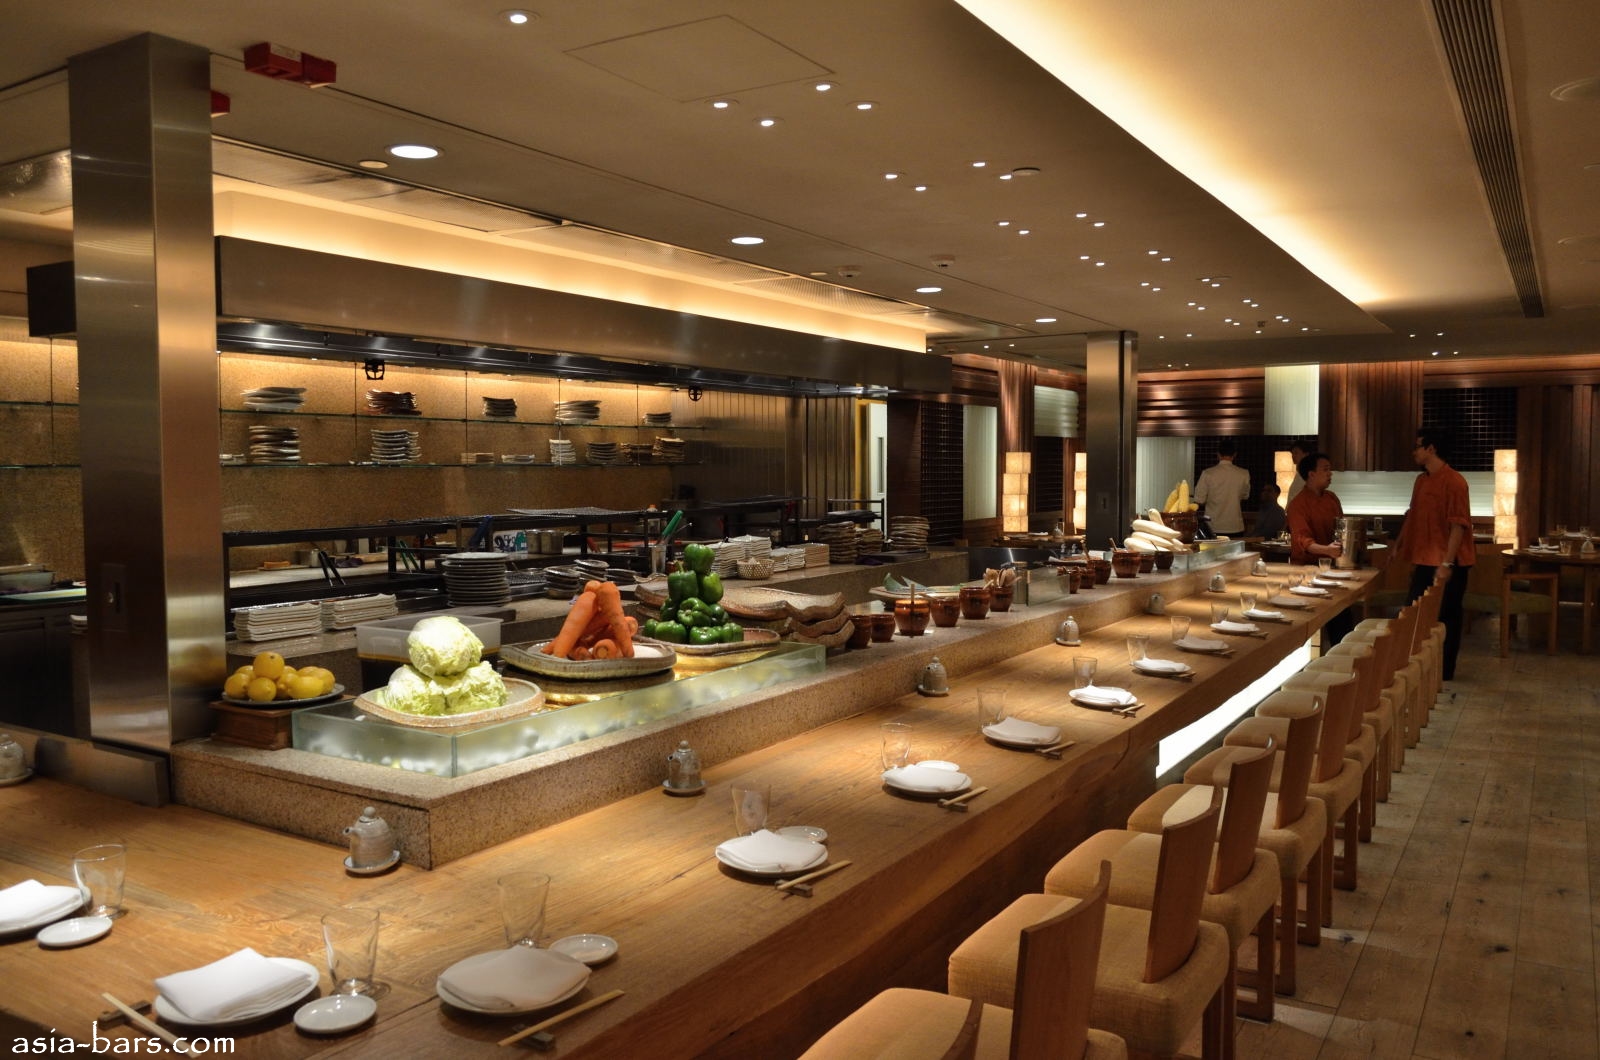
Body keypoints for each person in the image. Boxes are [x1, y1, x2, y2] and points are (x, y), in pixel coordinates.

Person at [1394, 426, 1474, 681]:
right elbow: (1412, 514)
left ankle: (1444, 671)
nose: (1414, 451)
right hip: (1424, 559)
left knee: (1446, 616)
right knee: (1413, 612)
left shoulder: (1455, 482)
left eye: (1417, 446)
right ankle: (1417, 667)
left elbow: (1458, 526)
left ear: (1431, 449)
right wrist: (1399, 544)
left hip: (1449, 561)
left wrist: (1447, 563)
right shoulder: (1421, 481)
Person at [1286, 451, 1352, 648]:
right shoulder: (1297, 505)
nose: (1330, 473)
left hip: (1332, 570)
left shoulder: (1332, 498)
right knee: (1309, 625)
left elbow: (1341, 529)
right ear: (1311, 474)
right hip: (1307, 572)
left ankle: (1342, 658)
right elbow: (1303, 541)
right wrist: (1326, 550)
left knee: (1341, 620)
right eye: (1326, 469)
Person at [1194, 440, 1251, 536]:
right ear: (1235, 455)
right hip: (1235, 526)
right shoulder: (1244, 474)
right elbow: (1245, 496)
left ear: (1218, 455)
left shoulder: (1208, 473)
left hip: (1212, 526)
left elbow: (1199, 500)